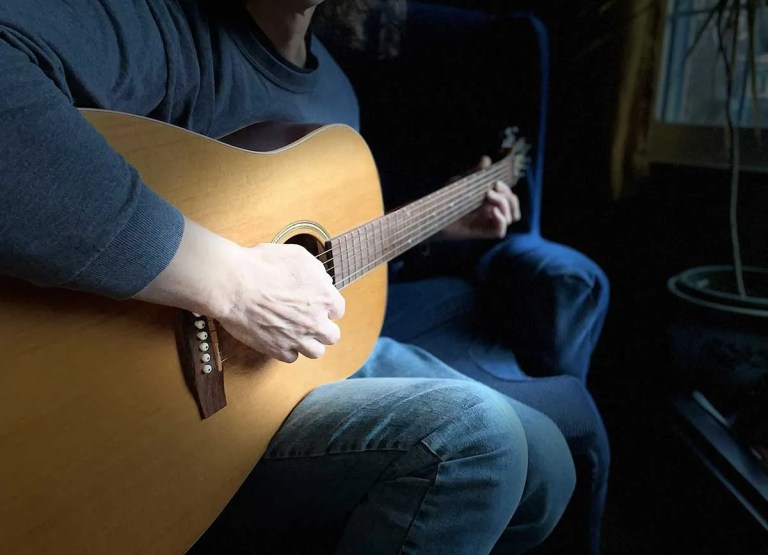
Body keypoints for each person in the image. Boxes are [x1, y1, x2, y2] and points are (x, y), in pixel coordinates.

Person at [1, 0, 575, 553]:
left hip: (301, 365)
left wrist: (443, 227)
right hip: (153, 414)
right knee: (479, 439)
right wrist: (230, 282)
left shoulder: (338, 94)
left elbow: (321, 263)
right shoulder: (157, 24)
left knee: (550, 463)